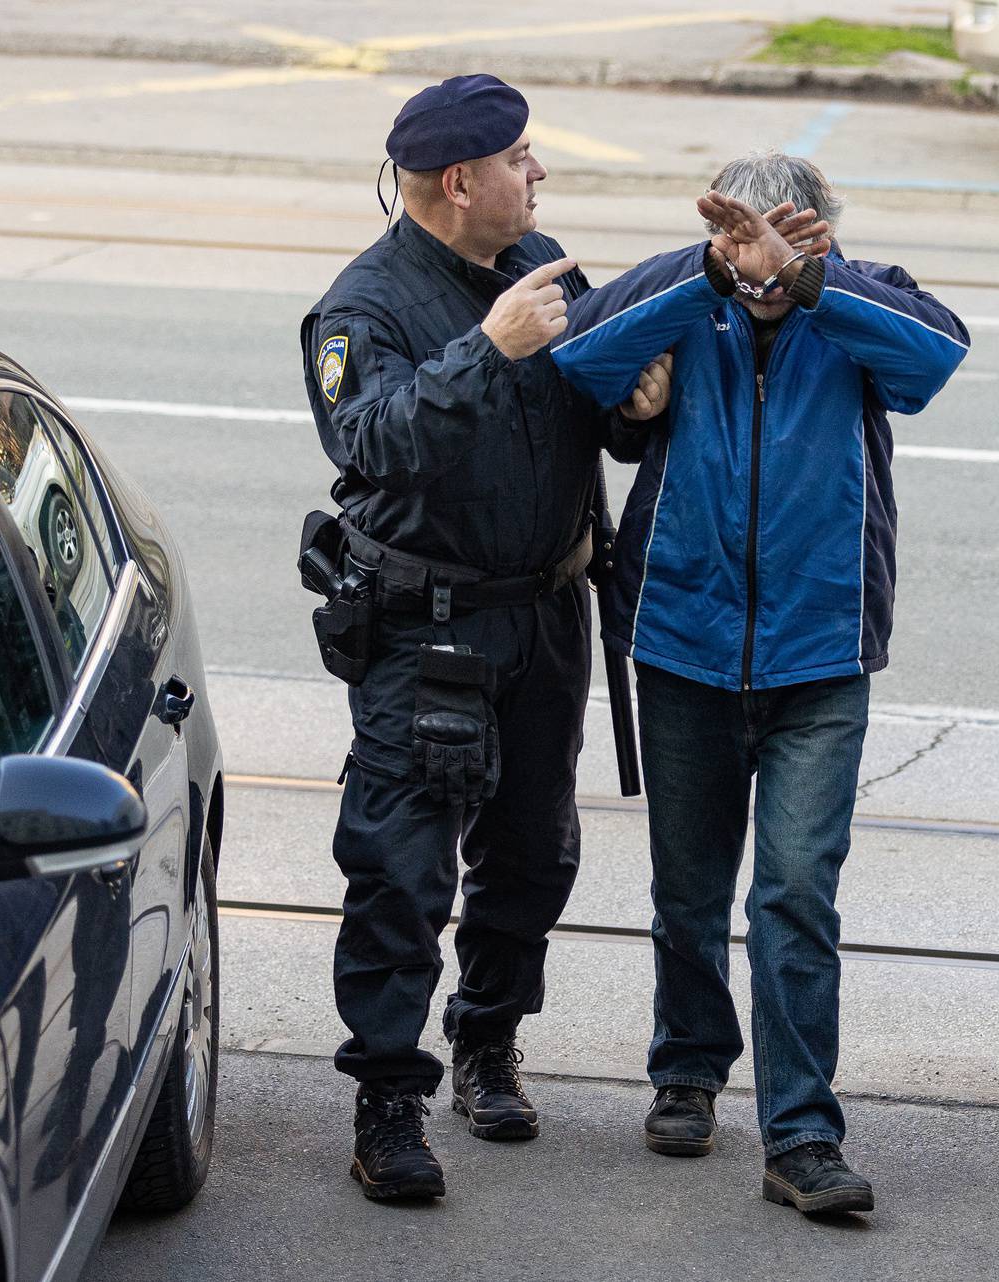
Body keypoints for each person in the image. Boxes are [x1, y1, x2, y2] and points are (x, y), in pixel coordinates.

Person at [551, 152, 970, 1216]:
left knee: (793, 894)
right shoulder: (687, 294)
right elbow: (580, 361)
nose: (763, 261)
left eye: (786, 235)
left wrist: (814, 280)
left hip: (821, 656)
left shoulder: (868, 299)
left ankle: (800, 1135)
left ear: (825, 230)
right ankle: (687, 1068)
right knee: (687, 893)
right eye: (747, 235)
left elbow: (937, 359)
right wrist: (710, 270)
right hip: (682, 641)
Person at [297, 74, 675, 1202]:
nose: (537, 174)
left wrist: (635, 408)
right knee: (401, 868)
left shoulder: (540, 263)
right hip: (430, 629)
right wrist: (489, 349)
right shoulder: (364, 307)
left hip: (548, 613)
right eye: (519, 159)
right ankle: (387, 1103)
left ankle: (487, 1038)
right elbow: (370, 441)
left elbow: (597, 406)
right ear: (459, 184)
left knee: (531, 851)